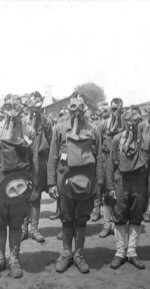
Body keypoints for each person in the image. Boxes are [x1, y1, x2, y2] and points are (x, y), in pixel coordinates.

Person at [47, 92, 103, 274]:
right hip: (64, 180)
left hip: (86, 183)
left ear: (85, 108)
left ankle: (78, 254)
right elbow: (53, 157)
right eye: (73, 107)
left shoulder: (94, 129)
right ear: (69, 108)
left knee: (81, 219)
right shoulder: (59, 129)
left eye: (81, 107)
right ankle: (66, 253)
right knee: (66, 218)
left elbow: (99, 157)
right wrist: (51, 184)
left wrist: (98, 184)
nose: (77, 111)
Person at [0, 95, 35, 278]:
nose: (12, 111)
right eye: (9, 106)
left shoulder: (28, 131)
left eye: (16, 107)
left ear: (21, 109)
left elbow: (32, 160)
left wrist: (32, 185)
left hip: (19, 181)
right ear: (4, 108)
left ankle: (13, 259)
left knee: (16, 221)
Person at [107, 105, 150, 270]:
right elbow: (111, 165)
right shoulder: (117, 139)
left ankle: (131, 252)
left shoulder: (147, 140)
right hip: (121, 181)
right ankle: (120, 252)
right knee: (120, 215)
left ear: (139, 121)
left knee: (136, 215)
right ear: (123, 121)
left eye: (134, 121)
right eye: (128, 121)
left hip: (140, 182)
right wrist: (110, 187)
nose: (131, 124)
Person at [21, 91, 53, 243]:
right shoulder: (22, 122)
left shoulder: (46, 122)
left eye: (38, 103)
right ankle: (23, 228)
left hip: (40, 161)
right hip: (25, 161)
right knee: (24, 194)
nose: (35, 107)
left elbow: (51, 143)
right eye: (32, 103)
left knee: (36, 194)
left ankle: (34, 228)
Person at [93, 98, 125, 238]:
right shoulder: (102, 125)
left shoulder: (125, 124)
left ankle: (116, 224)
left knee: (119, 194)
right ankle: (107, 224)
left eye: (119, 109)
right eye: (113, 109)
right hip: (106, 161)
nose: (116, 112)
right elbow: (98, 150)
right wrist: (99, 170)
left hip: (121, 163)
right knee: (106, 194)